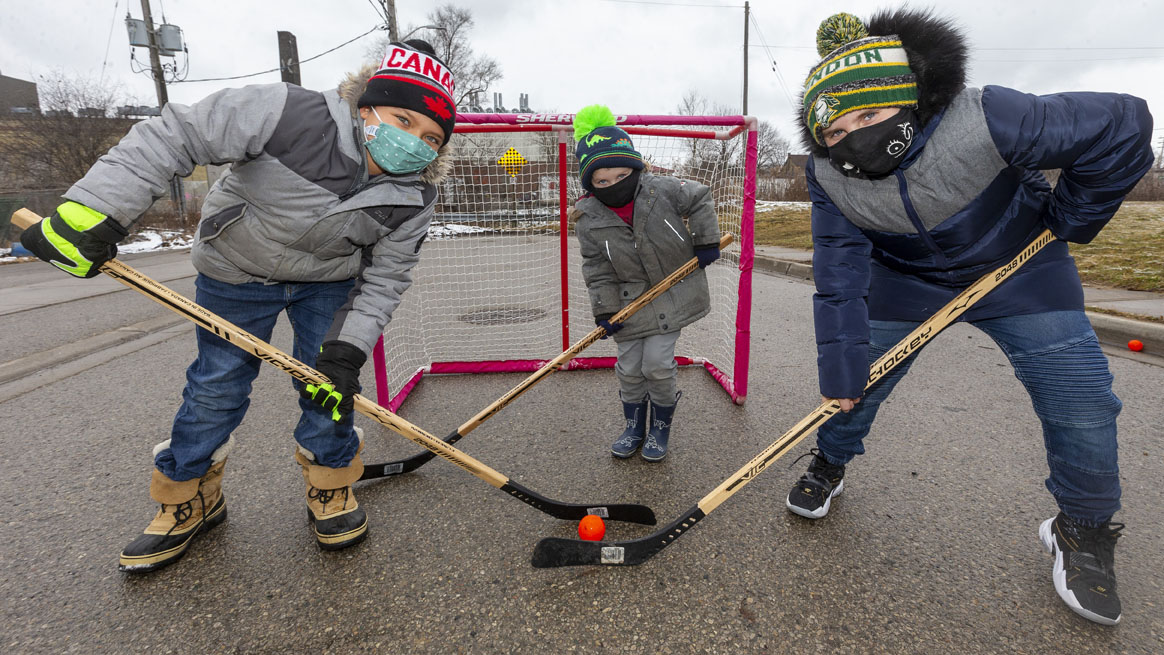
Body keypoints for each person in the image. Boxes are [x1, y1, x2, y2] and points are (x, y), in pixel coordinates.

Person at [20, 40, 458, 572]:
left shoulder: (415, 193)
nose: (413, 142)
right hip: (235, 272)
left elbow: (387, 278)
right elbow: (179, 132)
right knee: (216, 386)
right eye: (403, 119)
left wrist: (348, 350)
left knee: (328, 391)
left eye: (431, 137)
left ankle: (331, 485)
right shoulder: (286, 112)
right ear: (366, 104)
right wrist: (96, 210)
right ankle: (188, 496)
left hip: (328, 283)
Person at [787, 9, 1152, 625]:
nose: (855, 138)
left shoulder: (985, 116)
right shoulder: (828, 176)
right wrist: (843, 368)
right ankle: (829, 462)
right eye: (837, 128)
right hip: (904, 280)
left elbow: (1124, 123)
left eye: (870, 116)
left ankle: (1082, 529)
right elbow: (839, 272)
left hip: (1021, 267)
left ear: (909, 99)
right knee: (858, 386)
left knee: (1081, 399)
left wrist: (1073, 216)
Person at [570, 105, 721, 462]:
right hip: (629, 304)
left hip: (671, 294)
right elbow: (597, 267)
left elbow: (699, 196)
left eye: (621, 175)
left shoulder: (661, 190)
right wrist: (606, 309)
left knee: (656, 364)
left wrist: (705, 240)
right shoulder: (588, 217)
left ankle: (661, 426)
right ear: (590, 183)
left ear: (636, 168)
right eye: (601, 181)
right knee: (629, 368)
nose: (612, 186)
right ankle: (635, 425)